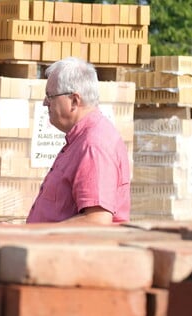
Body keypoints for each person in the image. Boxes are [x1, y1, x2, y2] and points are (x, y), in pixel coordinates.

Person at [26, 57, 130, 224]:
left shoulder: (94, 145)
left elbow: (97, 221)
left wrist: (32, 235)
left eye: (50, 96)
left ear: (74, 100)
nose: (45, 103)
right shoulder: (83, 139)